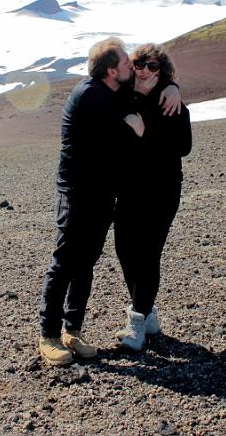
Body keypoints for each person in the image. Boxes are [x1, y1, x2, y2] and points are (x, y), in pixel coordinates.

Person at [38, 37, 180, 366]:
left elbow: (149, 85)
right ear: (112, 70)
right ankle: (48, 335)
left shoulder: (111, 90)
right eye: (128, 64)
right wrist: (139, 121)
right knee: (65, 263)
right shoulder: (90, 96)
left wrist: (172, 87)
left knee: (85, 263)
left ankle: (72, 330)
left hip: (102, 196)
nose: (133, 67)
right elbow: (128, 136)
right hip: (77, 195)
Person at [114, 43, 192, 351]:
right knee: (124, 250)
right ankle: (148, 316)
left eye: (153, 66)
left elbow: (183, 146)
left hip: (162, 189)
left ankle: (136, 325)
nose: (145, 70)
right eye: (139, 64)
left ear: (163, 70)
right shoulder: (124, 98)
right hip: (129, 189)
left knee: (147, 254)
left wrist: (145, 133)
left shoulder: (170, 101)